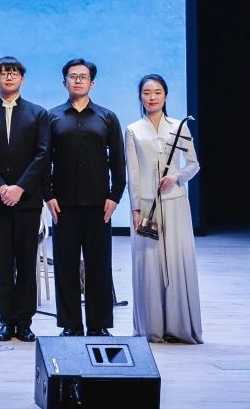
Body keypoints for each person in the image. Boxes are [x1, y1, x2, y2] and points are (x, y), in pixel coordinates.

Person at [0, 56, 49, 343]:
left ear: (22, 79)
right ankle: (5, 320)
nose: (9, 77)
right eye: (3, 73)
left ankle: (24, 321)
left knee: (26, 264)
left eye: (14, 73)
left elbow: (43, 154)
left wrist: (20, 188)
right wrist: (1, 187)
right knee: (1, 264)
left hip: (27, 201)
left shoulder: (38, 114)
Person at [47, 58, 126, 337]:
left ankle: (99, 325)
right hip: (63, 205)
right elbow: (44, 160)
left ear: (92, 83)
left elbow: (118, 160)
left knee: (99, 266)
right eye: (72, 76)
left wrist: (115, 196)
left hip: (99, 205)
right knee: (65, 267)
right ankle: (70, 325)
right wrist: (48, 195)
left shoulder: (107, 117)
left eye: (83, 77)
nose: (78, 80)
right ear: (64, 82)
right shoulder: (52, 117)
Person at [126, 74, 202, 344]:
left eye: (157, 92)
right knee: (149, 263)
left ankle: (179, 327)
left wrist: (176, 177)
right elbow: (133, 173)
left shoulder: (179, 127)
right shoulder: (133, 130)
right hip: (147, 205)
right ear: (140, 96)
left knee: (177, 259)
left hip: (176, 202)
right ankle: (152, 328)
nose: (152, 97)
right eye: (147, 92)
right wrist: (135, 209)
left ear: (166, 95)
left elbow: (193, 164)